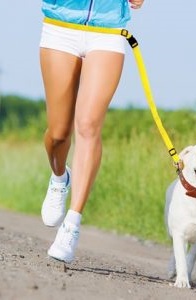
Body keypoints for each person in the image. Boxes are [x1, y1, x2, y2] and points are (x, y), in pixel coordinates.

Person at [40, 0, 144, 263]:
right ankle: (59, 178)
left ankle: (72, 225)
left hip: (108, 32)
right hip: (60, 26)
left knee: (88, 125)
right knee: (59, 133)